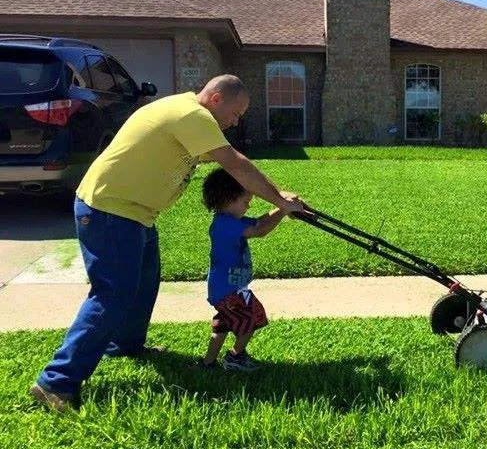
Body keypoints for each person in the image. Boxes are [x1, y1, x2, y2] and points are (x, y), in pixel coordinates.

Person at [30, 75, 304, 412]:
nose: (236, 122)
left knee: (144, 284)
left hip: (135, 214)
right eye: (236, 113)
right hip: (110, 210)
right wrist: (280, 201)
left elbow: (231, 167)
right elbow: (235, 165)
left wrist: (279, 199)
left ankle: (125, 345)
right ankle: (56, 383)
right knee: (113, 293)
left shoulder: (188, 115)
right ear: (216, 99)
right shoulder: (192, 115)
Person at [199, 168, 288, 371]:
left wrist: (282, 205)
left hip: (229, 288)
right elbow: (259, 230)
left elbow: (260, 221)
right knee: (252, 317)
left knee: (223, 325)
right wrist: (283, 210)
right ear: (228, 200)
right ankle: (235, 356)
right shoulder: (224, 225)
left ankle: (208, 363)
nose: (249, 206)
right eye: (246, 201)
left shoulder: (231, 220)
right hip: (230, 291)